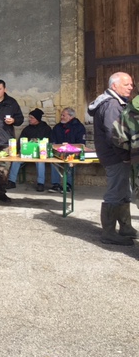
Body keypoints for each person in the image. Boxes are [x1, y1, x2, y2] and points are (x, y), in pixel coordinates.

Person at [88, 72, 136, 246]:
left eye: (131, 84)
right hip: (116, 156)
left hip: (116, 155)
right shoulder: (112, 104)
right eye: (126, 84)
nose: (131, 87)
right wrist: (125, 156)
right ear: (114, 86)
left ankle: (126, 228)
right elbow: (114, 134)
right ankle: (108, 233)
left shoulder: (115, 102)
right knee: (115, 192)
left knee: (124, 191)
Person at [6, 108, 52, 192]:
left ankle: (40, 183)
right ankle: (11, 181)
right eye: (29, 117)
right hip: (27, 153)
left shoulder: (46, 129)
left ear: (37, 119)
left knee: (40, 162)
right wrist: (18, 152)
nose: (29, 119)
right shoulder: (27, 129)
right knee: (16, 161)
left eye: (32, 118)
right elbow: (20, 141)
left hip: (40, 154)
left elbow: (49, 142)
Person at [48, 107, 86, 192]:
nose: (61, 117)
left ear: (70, 116)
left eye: (63, 115)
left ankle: (68, 185)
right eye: (61, 115)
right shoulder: (57, 127)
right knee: (52, 160)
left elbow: (81, 143)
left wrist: (70, 149)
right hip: (59, 152)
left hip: (73, 152)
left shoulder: (79, 127)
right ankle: (56, 184)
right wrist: (56, 147)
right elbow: (52, 140)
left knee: (71, 161)